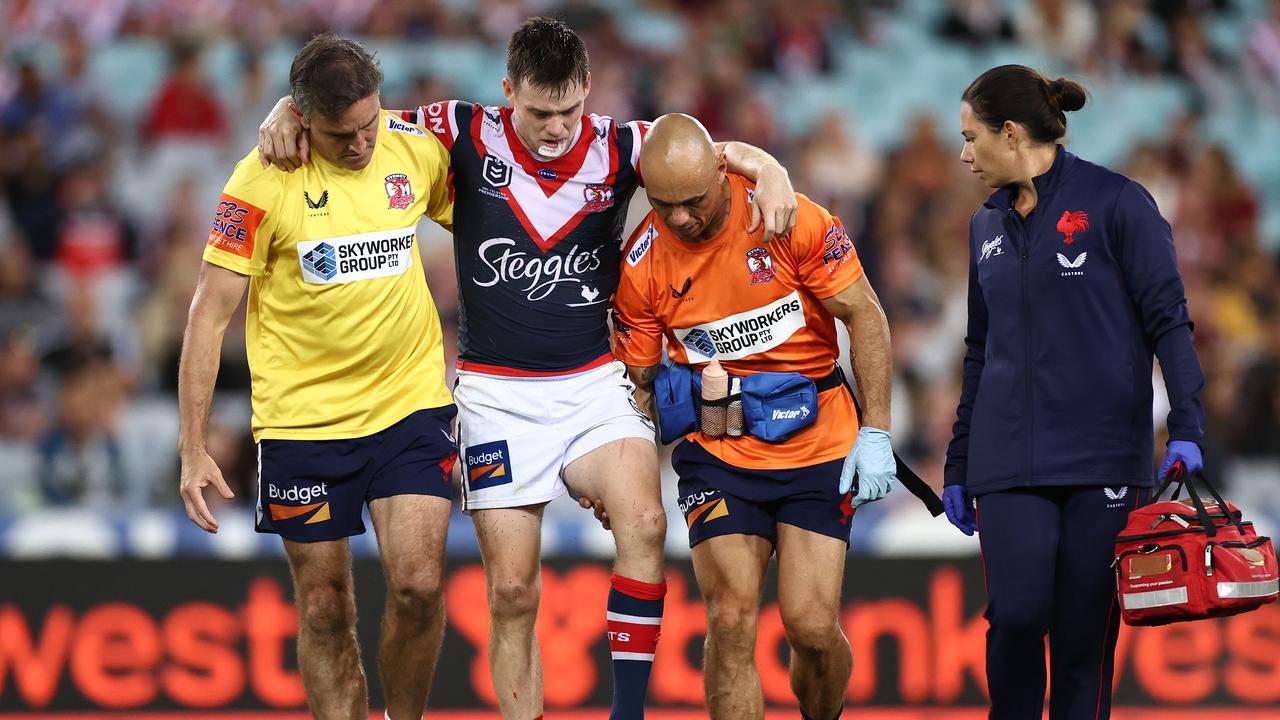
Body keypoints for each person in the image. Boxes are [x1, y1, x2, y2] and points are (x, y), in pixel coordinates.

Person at [256, 17, 798, 720]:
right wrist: (284, 110)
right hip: (495, 397)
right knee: (512, 594)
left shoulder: (622, 146)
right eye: (539, 112)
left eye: (569, 110)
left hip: (592, 383)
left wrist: (771, 166)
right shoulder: (457, 129)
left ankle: (626, 714)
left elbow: (705, 150)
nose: (555, 128)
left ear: (588, 91)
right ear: (508, 90)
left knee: (642, 520)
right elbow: (354, 112)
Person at [178, 34, 457, 720]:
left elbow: (499, 215)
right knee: (326, 608)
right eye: (342, 134)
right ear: (302, 119)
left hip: (410, 407)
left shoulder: (413, 148)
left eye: (369, 123)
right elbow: (208, 315)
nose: (362, 144)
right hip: (303, 424)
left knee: (420, 587)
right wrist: (192, 447)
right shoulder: (258, 182)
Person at [942, 65, 1206, 720]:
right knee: (1016, 617)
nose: (965, 154)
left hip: (1102, 460)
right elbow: (981, 351)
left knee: (1084, 639)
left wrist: (1189, 428)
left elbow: (1169, 322)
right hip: (1007, 464)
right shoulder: (984, 228)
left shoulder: (1119, 204)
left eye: (972, 138)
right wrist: (958, 459)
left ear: (1010, 132)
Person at [612, 113, 897, 720]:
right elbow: (634, 384)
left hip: (819, 445)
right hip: (719, 456)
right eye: (665, 206)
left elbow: (865, 314)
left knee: (812, 628)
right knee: (730, 618)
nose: (681, 218)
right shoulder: (642, 266)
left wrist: (877, 430)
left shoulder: (786, 218)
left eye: (693, 201)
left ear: (723, 170)